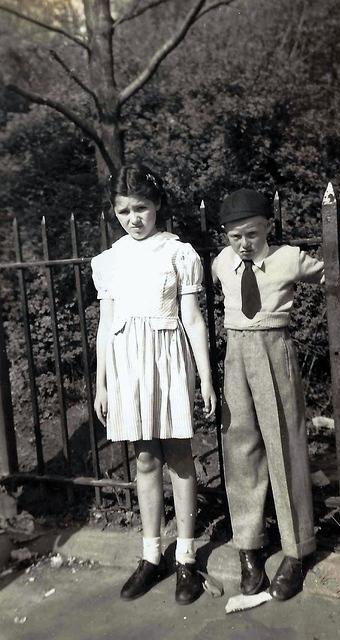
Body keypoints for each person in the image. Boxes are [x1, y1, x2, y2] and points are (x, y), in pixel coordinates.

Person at [212, 188, 340, 601]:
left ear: (268, 227)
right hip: (235, 354)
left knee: (286, 448)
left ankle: (296, 551)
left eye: (252, 234)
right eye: (234, 235)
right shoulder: (222, 263)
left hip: (275, 351)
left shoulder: (288, 257)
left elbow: (330, 271)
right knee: (239, 451)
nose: (243, 243)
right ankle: (248, 548)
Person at [91, 163, 216, 605]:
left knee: (179, 456)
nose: (133, 218)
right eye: (124, 211)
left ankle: (185, 558)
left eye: (141, 208)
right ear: (114, 213)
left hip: (168, 360)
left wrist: (206, 379)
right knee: (145, 459)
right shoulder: (108, 262)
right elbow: (106, 326)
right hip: (128, 366)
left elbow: (194, 319)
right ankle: (151, 556)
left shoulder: (178, 254)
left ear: (157, 205)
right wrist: (102, 384)